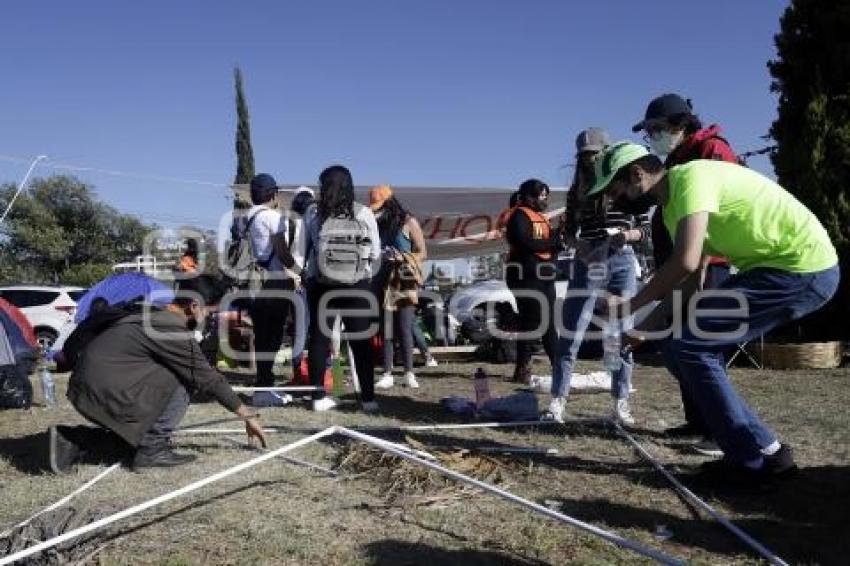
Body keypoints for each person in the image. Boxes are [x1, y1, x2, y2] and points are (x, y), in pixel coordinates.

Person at [587, 141, 839, 483]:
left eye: (618, 192)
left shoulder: (690, 179)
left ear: (637, 174)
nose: (618, 201)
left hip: (799, 269)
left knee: (691, 346)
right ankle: (768, 451)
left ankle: (750, 465)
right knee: (678, 349)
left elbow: (685, 262)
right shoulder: (674, 208)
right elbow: (692, 277)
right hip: (776, 271)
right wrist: (644, 327)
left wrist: (630, 307)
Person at [49, 275, 268, 473]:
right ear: (194, 306)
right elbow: (207, 378)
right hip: (101, 391)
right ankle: (152, 449)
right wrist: (248, 417)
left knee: (130, 443)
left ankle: (72, 439)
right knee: (185, 380)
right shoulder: (169, 327)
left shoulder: (154, 312)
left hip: (87, 389)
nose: (210, 318)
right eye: (210, 312)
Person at [632, 93, 740, 454]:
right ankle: (697, 419)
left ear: (681, 123)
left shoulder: (713, 150)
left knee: (702, 347)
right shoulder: (676, 158)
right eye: (648, 132)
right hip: (681, 264)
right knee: (678, 343)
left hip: (711, 263)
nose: (653, 137)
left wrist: (702, 261)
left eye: (656, 129)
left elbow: (722, 207)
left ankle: (719, 430)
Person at [549, 128, 650, 424]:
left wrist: (626, 235)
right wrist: (580, 246)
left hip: (621, 259)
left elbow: (644, 230)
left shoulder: (627, 184)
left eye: (596, 154)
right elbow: (567, 233)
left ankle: (620, 402)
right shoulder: (577, 190)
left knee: (620, 333)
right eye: (585, 156)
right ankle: (558, 401)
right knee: (572, 331)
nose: (590, 160)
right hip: (589, 260)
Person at [303, 165, 381, 412]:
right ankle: (368, 398)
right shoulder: (364, 213)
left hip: (322, 284)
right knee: (361, 340)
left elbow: (302, 251)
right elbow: (376, 252)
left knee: (319, 339)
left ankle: (318, 397)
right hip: (357, 284)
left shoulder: (313, 213)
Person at [242, 173, 305, 407]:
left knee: (262, 335)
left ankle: (263, 386)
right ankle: (264, 390)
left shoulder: (246, 218)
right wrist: (300, 271)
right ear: (274, 194)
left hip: (253, 282)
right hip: (275, 281)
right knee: (273, 335)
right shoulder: (272, 217)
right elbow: (281, 252)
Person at [370, 185, 428, 390]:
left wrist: (402, 256)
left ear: (390, 203)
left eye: (380, 206)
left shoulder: (408, 221)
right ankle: (387, 372)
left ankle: (409, 372)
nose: (376, 211)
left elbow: (422, 252)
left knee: (404, 326)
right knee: (385, 327)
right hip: (381, 277)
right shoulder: (377, 224)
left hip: (404, 277)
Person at [504, 179, 558, 384]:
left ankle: (559, 365)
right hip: (525, 276)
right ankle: (522, 368)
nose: (545, 199)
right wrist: (552, 242)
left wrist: (557, 240)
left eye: (546, 196)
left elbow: (552, 245)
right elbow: (525, 241)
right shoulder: (518, 215)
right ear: (528, 197)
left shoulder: (542, 218)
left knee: (550, 322)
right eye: (541, 195)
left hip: (544, 276)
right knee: (531, 322)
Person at [288, 186, 317, 384]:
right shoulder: (317, 219)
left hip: (297, 282)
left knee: (300, 329)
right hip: (317, 281)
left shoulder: (289, 221)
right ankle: (326, 375)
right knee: (322, 330)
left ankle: (298, 373)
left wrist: (294, 276)